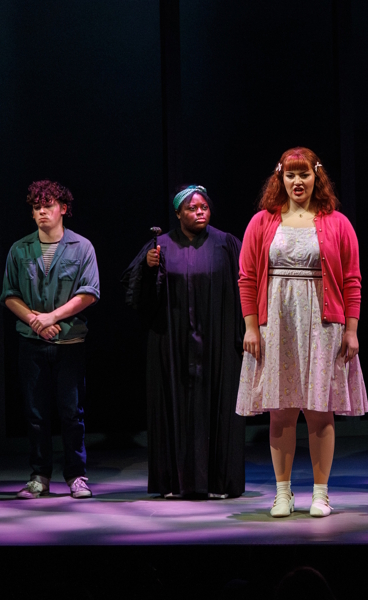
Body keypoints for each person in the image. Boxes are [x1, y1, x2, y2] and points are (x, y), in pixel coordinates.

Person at [236, 147, 368, 518]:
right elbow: (247, 278)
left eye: (304, 174)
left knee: (319, 411)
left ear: (316, 177)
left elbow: (352, 280)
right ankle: (282, 492)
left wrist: (352, 330)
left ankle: (320, 493)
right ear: (280, 177)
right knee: (280, 411)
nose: (298, 182)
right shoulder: (262, 221)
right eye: (291, 175)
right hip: (274, 323)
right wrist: (251, 327)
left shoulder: (337, 223)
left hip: (323, 324)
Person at [121, 185, 246, 499]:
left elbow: (248, 286)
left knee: (219, 405)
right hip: (172, 343)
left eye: (203, 206)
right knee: (174, 405)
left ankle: (220, 482)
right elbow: (137, 296)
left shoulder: (227, 243)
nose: (199, 212)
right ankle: (172, 483)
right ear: (178, 214)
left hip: (218, 342)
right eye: (191, 208)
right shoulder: (160, 246)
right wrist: (149, 268)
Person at [1, 180, 100, 499]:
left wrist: (52, 318)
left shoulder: (82, 247)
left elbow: (89, 292)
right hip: (31, 342)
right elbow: (9, 294)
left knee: (72, 413)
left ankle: (76, 476)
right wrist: (34, 320)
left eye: (48, 205)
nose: (42, 211)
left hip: (70, 342)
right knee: (36, 413)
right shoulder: (19, 249)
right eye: (36, 207)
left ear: (63, 209)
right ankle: (39, 476)